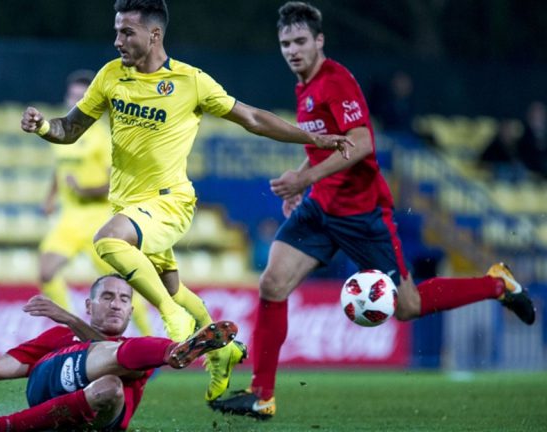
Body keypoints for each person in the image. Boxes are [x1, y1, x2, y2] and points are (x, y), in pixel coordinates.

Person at [210, 2, 537, 420]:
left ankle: (497, 284)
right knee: (272, 284)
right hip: (319, 210)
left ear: (319, 40)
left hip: (362, 215)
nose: (292, 50)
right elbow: (329, 144)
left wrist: (304, 181)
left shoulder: (336, 81)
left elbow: (361, 143)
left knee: (408, 305)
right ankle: (262, 396)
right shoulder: (303, 88)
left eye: (300, 41)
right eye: (285, 43)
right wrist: (302, 175)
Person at [20, 0, 353, 403]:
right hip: (130, 206)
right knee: (174, 287)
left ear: (154, 35)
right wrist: (42, 127)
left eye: (126, 32)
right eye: (116, 31)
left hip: (169, 203)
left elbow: (252, 118)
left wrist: (313, 138)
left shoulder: (191, 82)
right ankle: (223, 352)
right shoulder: (110, 76)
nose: (117, 40)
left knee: (108, 243)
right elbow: (69, 128)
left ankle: (170, 317)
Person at [0, 274, 238, 432]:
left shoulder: (136, 350)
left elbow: (117, 361)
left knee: (112, 384)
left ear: (130, 310)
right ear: (89, 305)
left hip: (102, 416)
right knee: (112, 357)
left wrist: (69, 316)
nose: (116, 304)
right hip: (47, 388)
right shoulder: (59, 335)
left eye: (125, 300)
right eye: (108, 297)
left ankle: (174, 351)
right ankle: (174, 351)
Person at [39, 69, 152, 336]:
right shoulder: (61, 134)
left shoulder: (103, 137)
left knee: (124, 284)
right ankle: (75, 334)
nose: (76, 102)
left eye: (83, 97)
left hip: (99, 220)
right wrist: (51, 196)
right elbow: (60, 170)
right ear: (66, 99)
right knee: (46, 272)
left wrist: (85, 190)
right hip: (69, 219)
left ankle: (151, 340)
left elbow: (115, 183)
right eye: (73, 97)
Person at [516, 101, 547, 179]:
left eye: (540, 115)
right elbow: (522, 153)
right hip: (529, 167)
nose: (538, 117)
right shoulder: (523, 133)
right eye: (535, 115)